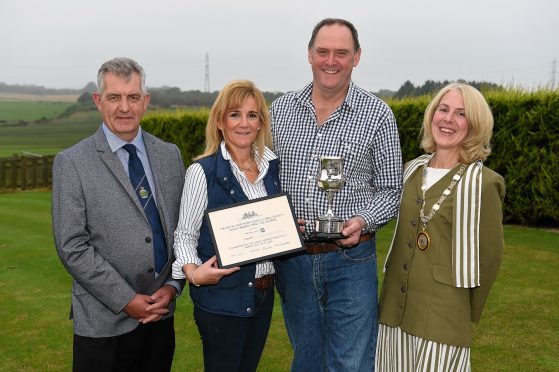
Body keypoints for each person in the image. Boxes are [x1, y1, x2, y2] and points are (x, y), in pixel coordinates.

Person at [270, 18, 403, 371]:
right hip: (294, 259)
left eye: (341, 53)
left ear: (356, 57)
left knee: (350, 364)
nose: (332, 60)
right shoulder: (279, 112)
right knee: (307, 360)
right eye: (323, 51)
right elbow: (262, 181)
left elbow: (392, 190)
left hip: (352, 261)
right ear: (310, 55)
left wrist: (363, 220)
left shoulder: (378, 115)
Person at [52, 57, 185, 371]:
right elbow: (72, 246)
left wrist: (172, 287)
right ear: (99, 101)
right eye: (114, 97)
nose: (124, 107)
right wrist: (126, 300)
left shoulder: (169, 155)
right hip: (102, 324)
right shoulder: (72, 162)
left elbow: (183, 233)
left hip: (159, 317)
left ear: (145, 102)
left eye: (133, 97)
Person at [376, 83, 505, 371]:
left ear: (474, 125)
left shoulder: (484, 183)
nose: (448, 119)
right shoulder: (410, 169)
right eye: (443, 109)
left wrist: (461, 308)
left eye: (461, 114)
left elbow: (490, 256)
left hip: (443, 319)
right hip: (393, 313)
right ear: (432, 115)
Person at [172, 80, 280, 372]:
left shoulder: (272, 169)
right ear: (220, 121)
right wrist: (194, 274)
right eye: (235, 114)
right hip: (220, 298)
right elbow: (184, 235)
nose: (244, 123)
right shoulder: (202, 172)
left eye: (252, 115)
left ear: (260, 123)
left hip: (263, 295)